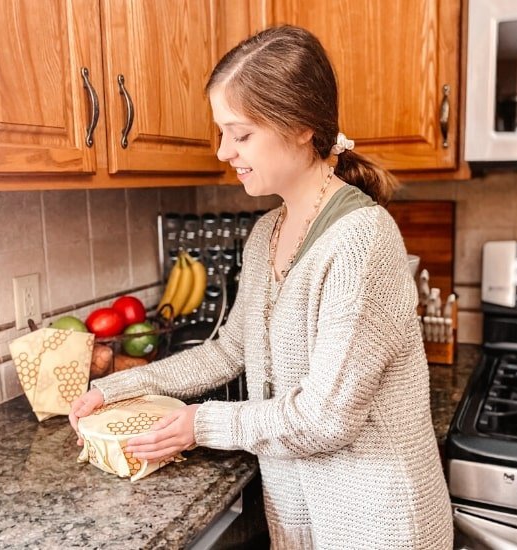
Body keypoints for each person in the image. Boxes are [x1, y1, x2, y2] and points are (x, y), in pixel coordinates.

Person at [69, 25, 453, 549]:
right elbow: (231, 350)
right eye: (222, 132)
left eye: (241, 133)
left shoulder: (363, 241)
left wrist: (200, 424)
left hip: (376, 523)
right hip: (297, 516)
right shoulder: (266, 232)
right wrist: (115, 389)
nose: (225, 151)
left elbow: (325, 420)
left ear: (300, 127)